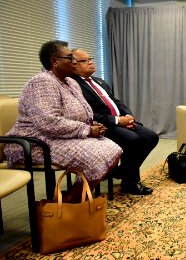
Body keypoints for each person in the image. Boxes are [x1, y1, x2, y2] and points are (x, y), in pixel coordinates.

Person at [4, 40, 123, 202]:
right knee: (101, 154)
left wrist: (92, 125)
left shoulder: (70, 82)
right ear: (54, 61)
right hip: (34, 144)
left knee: (113, 149)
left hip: (58, 138)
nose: (74, 61)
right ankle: (69, 202)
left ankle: (72, 197)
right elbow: (49, 122)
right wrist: (87, 130)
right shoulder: (42, 82)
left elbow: (83, 113)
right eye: (69, 57)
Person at [71, 49, 159, 195]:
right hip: (102, 126)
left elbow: (116, 101)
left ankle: (119, 171)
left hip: (121, 121)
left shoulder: (99, 81)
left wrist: (129, 116)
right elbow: (89, 114)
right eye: (85, 60)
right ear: (74, 65)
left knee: (151, 137)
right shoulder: (74, 86)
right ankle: (130, 183)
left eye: (90, 59)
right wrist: (118, 121)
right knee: (132, 139)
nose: (91, 62)